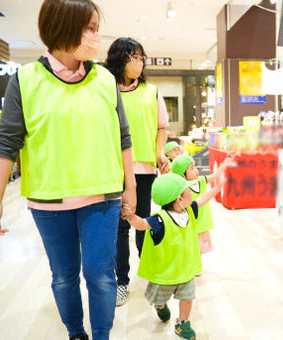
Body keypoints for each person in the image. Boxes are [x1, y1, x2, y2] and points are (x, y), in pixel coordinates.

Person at [0, 1, 136, 339]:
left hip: (103, 196)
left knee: (100, 275)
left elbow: (123, 137)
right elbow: (8, 143)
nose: (97, 37)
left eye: (97, 28)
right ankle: (75, 333)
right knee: (64, 275)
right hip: (49, 201)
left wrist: (131, 187)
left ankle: (101, 335)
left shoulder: (105, 79)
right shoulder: (26, 79)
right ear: (63, 27)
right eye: (90, 28)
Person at [105, 38, 170, 307]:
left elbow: (161, 128)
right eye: (134, 57)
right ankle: (122, 281)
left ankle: (152, 272)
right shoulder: (106, 90)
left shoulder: (151, 91)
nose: (139, 62)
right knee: (119, 227)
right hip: (113, 169)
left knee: (142, 222)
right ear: (120, 59)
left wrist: (160, 152)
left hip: (143, 168)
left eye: (142, 57)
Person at [121, 173, 226, 340]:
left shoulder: (189, 210)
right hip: (165, 272)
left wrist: (218, 187)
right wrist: (131, 217)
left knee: (187, 296)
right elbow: (141, 225)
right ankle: (160, 305)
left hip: (186, 269)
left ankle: (182, 323)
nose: (191, 192)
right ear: (179, 199)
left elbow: (203, 198)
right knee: (161, 296)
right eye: (187, 190)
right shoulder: (159, 219)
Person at [171, 155, 236, 254]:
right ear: (182, 175)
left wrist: (224, 165)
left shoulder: (201, 180)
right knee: (190, 251)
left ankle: (196, 267)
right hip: (189, 226)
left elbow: (214, 176)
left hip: (203, 225)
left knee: (199, 251)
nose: (196, 170)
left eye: (195, 167)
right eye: (192, 168)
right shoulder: (181, 189)